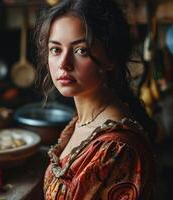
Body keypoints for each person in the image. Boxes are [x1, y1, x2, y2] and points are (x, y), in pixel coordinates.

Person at [34, 0, 157, 199]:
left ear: (110, 58)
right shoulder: (84, 121)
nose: (64, 64)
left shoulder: (117, 150)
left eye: (80, 50)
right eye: (55, 49)